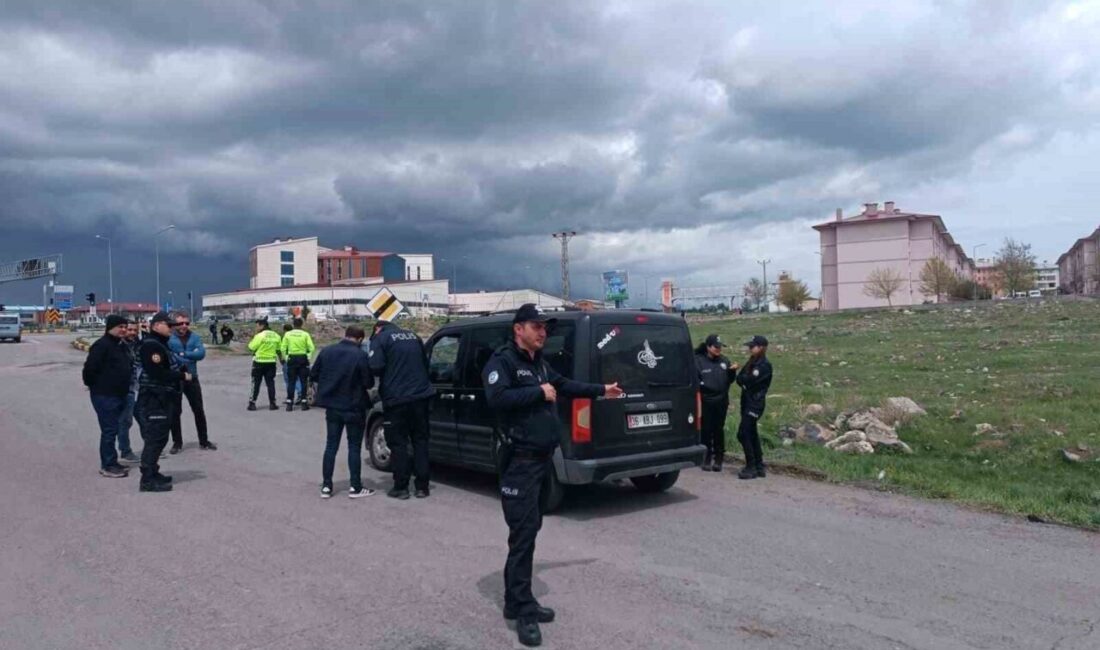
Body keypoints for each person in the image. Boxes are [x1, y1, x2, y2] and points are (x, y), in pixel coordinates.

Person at [482, 303, 624, 648]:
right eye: (537, 326)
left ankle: (517, 603)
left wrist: (602, 390)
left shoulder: (540, 364)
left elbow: (565, 384)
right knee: (523, 534)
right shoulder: (503, 362)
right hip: (518, 462)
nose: (543, 332)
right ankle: (523, 611)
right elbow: (496, 398)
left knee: (530, 530)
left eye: (545, 327)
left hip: (540, 461)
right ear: (519, 329)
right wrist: (537, 393)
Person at [368, 316, 434, 500]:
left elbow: (375, 366)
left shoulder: (381, 338)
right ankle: (422, 487)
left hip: (397, 399)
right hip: (421, 397)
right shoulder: (413, 336)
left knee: (398, 443)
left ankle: (401, 487)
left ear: (377, 329)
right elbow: (425, 362)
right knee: (420, 441)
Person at [310, 326, 375, 499]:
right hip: (354, 407)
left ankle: (326, 486)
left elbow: (314, 374)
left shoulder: (327, 351)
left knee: (331, 446)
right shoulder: (360, 355)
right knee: (354, 447)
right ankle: (355, 487)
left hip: (332, 407)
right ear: (360, 339)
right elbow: (368, 383)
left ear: (345, 336)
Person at [136, 312, 190, 492]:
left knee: (160, 437)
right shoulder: (152, 346)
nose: (172, 328)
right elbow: (156, 372)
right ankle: (147, 480)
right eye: (169, 325)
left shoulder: (161, 344)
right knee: (155, 438)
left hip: (162, 396)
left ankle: (153, 471)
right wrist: (181, 375)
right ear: (157, 325)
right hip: (154, 397)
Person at [82, 314, 134, 478]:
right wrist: (97, 386)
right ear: (110, 327)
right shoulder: (101, 346)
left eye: (125, 327)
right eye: (120, 327)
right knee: (109, 430)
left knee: (117, 427)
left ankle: (113, 461)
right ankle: (107, 465)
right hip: (105, 395)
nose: (123, 330)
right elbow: (89, 371)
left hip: (120, 394)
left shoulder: (121, 345)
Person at [168, 311, 217, 453]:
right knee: (175, 411)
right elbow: (171, 357)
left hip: (192, 377)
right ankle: (177, 443)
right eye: (180, 323)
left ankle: (204, 440)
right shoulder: (170, 339)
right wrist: (189, 356)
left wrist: (183, 354)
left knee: (198, 410)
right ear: (174, 324)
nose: (184, 326)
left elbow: (201, 354)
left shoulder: (194, 337)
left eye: (186, 323)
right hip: (176, 378)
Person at [694, 334, 738, 472]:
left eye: (720, 347)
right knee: (706, 430)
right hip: (706, 401)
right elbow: (695, 380)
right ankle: (706, 457)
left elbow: (730, 380)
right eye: (716, 347)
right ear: (708, 347)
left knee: (718, 429)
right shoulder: (699, 361)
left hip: (721, 401)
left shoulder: (724, 361)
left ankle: (719, 458)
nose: (718, 349)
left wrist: (732, 372)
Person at [735, 335, 773, 480]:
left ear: (761, 347)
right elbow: (740, 378)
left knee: (743, 433)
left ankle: (751, 466)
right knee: (751, 432)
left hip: (755, 403)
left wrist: (745, 381)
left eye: (753, 346)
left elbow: (749, 381)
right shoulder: (752, 361)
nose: (750, 349)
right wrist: (745, 381)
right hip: (747, 401)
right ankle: (759, 465)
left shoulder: (764, 365)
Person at [116, 321, 142, 464]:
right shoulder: (119, 346)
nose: (132, 332)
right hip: (127, 390)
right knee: (125, 421)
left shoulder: (140, 345)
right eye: (129, 329)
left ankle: (151, 448)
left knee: (144, 419)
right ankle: (125, 450)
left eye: (134, 330)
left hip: (140, 388)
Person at [247, 318, 282, 411]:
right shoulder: (276, 336)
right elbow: (279, 350)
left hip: (259, 362)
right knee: (270, 383)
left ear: (262, 326)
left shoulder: (260, 336)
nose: (256, 328)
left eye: (257, 325)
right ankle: (272, 403)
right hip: (271, 363)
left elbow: (251, 347)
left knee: (256, 383)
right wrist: (282, 360)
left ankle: (252, 403)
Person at [280, 318, 315, 411]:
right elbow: (311, 348)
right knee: (303, 381)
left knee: (291, 381)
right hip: (302, 357)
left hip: (292, 357)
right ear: (302, 325)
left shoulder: (288, 334)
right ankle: (304, 402)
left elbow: (283, 348)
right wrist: (308, 357)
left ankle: (289, 403)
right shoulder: (305, 334)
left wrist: (286, 357)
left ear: (293, 324)